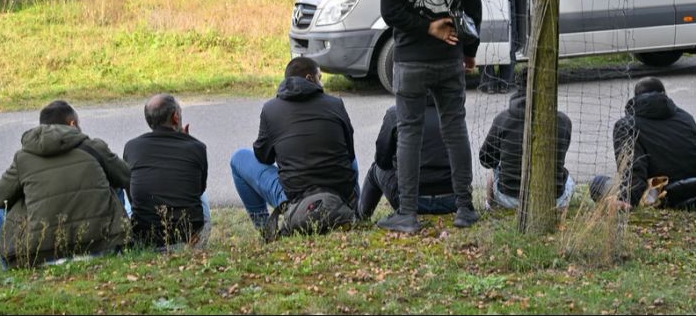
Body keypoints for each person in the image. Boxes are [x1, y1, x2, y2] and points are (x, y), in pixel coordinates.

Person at [379, 0, 482, 233]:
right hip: (449, 57)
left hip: (409, 60)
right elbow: (473, 6)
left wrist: (424, 27)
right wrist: (469, 51)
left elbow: (390, 12)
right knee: (455, 129)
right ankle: (465, 208)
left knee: (409, 133)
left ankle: (407, 214)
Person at [0, 101, 130, 268]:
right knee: (115, 187)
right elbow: (127, 177)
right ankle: (121, 246)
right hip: (100, 248)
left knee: (3, 209)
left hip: (42, 256)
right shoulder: (94, 147)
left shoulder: (23, 157)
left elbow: (0, 197)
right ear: (72, 124)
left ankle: (7, 267)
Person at [230, 57, 359, 229]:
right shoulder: (335, 104)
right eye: (319, 78)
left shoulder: (270, 109)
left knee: (238, 158)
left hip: (296, 199)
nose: (322, 85)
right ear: (309, 78)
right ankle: (358, 211)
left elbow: (263, 156)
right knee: (350, 157)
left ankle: (264, 228)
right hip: (339, 193)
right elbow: (349, 153)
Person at [591, 77, 696, 208]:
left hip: (662, 193)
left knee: (597, 183)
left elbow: (633, 172)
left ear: (636, 98)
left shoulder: (626, 125)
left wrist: (626, 200)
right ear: (664, 95)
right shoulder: (686, 117)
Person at [123, 94, 209, 249]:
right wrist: (187, 143)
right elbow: (199, 189)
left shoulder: (132, 147)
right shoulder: (197, 147)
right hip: (189, 238)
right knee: (199, 190)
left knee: (129, 186)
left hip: (146, 239)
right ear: (176, 117)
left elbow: (131, 196)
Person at [479, 69, 574, 209]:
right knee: (569, 180)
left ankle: (489, 205)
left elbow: (486, 160)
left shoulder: (503, 119)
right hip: (552, 200)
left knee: (493, 172)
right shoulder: (564, 121)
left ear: (518, 86)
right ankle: (560, 209)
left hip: (509, 198)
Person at [358, 94, 457, 219]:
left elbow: (382, 160)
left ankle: (361, 216)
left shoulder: (395, 113)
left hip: (410, 203)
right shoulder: (453, 115)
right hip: (452, 200)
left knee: (375, 169)